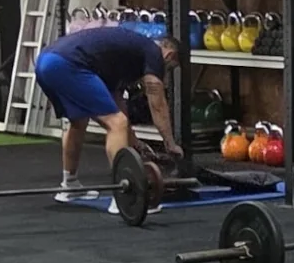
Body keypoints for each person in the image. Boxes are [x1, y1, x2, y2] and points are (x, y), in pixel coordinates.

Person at [33, 24, 182, 192]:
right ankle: (121, 194)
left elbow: (116, 102)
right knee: (116, 123)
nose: (166, 73)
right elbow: (158, 105)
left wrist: (135, 142)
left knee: (79, 122)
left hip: (45, 61)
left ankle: (69, 186)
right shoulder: (153, 53)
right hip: (67, 64)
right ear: (170, 55)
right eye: (170, 68)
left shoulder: (123, 59)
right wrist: (170, 143)